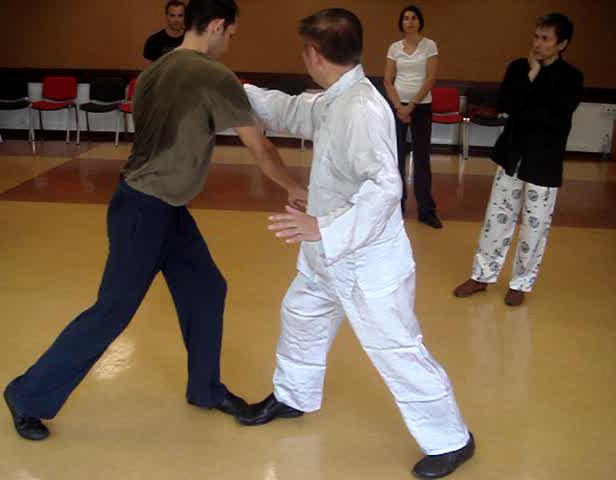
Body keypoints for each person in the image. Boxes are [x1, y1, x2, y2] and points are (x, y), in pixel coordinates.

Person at [3, 0, 306, 442]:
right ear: (218, 26)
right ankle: (27, 395)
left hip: (159, 206)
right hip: (147, 210)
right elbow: (260, 149)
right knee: (112, 311)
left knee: (207, 288)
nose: (230, 43)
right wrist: (294, 188)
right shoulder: (214, 75)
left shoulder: (153, 72)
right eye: (232, 34)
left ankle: (205, 389)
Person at [239, 9, 474, 479]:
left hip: (367, 262)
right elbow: (293, 111)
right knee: (300, 317)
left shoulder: (363, 109)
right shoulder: (335, 98)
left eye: (304, 49)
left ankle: (451, 438)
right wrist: (238, 91)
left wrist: (325, 229)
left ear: (315, 54)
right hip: (326, 256)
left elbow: (386, 188)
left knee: (396, 348)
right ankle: (293, 396)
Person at [453, 13, 583, 307]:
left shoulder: (572, 78)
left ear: (562, 44)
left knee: (534, 227)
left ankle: (521, 282)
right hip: (511, 156)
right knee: (496, 221)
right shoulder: (519, 68)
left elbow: (555, 119)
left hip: (544, 163)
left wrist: (526, 105)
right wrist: (532, 75)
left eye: (546, 38)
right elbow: (506, 106)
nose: (538, 43)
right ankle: (482, 275)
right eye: (536, 36)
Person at [384, 5, 442, 229]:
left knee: (421, 160)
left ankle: (426, 210)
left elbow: (430, 79)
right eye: (406, 18)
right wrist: (400, 106)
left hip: (421, 107)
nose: (410, 21)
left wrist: (412, 106)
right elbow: (388, 81)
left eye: (414, 18)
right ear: (401, 23)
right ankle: (396, 207)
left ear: (420, 22)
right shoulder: (394, 48)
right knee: (396, 159)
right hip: (398, 108)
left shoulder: (430, 46)